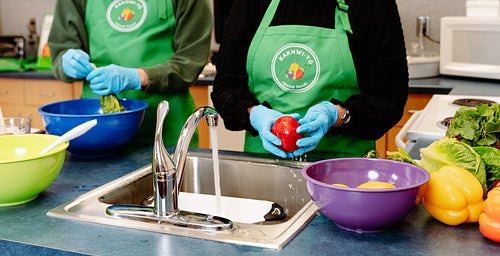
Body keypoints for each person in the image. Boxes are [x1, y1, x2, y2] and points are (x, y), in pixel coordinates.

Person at [211, 0, 409, 159]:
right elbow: (225, 87)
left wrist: (338, 115)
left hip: (347, 168)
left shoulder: (370, 5)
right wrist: (255, 114)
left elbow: (390, 97)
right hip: (265, 162)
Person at [48, 0, 213, 146]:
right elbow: (61, 50)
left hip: (166, 125)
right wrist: (67, 61)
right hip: (99, 127)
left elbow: (190, 59)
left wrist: (139, 76)